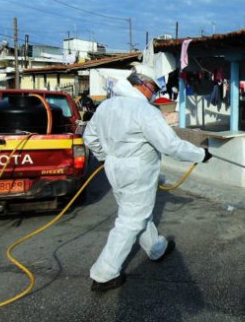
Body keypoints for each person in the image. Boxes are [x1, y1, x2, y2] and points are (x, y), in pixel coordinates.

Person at [82, 72, 212, 292]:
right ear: (141, 84)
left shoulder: (106, 106)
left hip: (114, 169)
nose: (155, 94)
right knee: (131, 220)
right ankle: (104, 273)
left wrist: (109, 157)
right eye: (154, 88)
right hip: (137, 171)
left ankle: (155, 248)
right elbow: (170, 145)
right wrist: (200, 154)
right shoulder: (145, 111)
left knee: (136, 212)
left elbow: (90, 138)